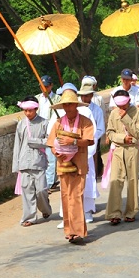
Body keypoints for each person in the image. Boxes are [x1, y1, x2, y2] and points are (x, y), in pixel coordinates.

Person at [47, 89, 95, 244]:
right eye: (65, 105)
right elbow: (51, 143)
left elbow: (88, 140)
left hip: (79, 163)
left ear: (76, 105)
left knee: (76, 196)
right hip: (63, 164)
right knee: (66, 196)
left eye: (70, 105)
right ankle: (69, 230)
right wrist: (57, 153)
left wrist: (73, 142)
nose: (68, 108)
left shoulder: (85, 121)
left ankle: (78, 230)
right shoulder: (58, 123)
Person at [12, 96, 52, 226]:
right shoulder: (21, 124)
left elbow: (50, 141)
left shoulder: (45, 123)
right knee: (27, 191)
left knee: (41, 190)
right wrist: (16, 165)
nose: (28, 113)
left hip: (38, 162)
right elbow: (17, 145)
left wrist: (35, 142)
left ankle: (45, 209)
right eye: (25, 111)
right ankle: (29, 217)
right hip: (24, 162)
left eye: (30, 110)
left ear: (36, 108)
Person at [105, 90, 139, 225]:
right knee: (115, 179)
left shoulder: (137, 112)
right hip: (118, 149)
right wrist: (122, 138)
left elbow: (137, 133)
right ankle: (114, 213)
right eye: (119, 106)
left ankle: (131, 211)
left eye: (124, 105)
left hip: (132, 149)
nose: (122, 108)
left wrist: (126, 117)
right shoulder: (113, 113)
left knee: (132, 180)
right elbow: (109, 132)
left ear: (129, 101)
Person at [77, 83, 105, 223]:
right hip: (74, 150)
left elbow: (99, 129)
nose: (85, 98)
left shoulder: (96, 111)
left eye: (87, 95)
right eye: (82, 96)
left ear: (91, 96)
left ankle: (88, 209)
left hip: (90, 147)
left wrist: (90, 141)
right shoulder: (76, 109)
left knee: (89, 177)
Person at [35, 75, 61, 191]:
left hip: (51, 132)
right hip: (39, 132)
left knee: (51, 159)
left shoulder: (57, 99)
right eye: (42, 86)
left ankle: (49, 184)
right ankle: (45, 182)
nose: (44, 89)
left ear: (51, 86)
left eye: (46, 86)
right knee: (41, 159)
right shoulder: (37, 99)